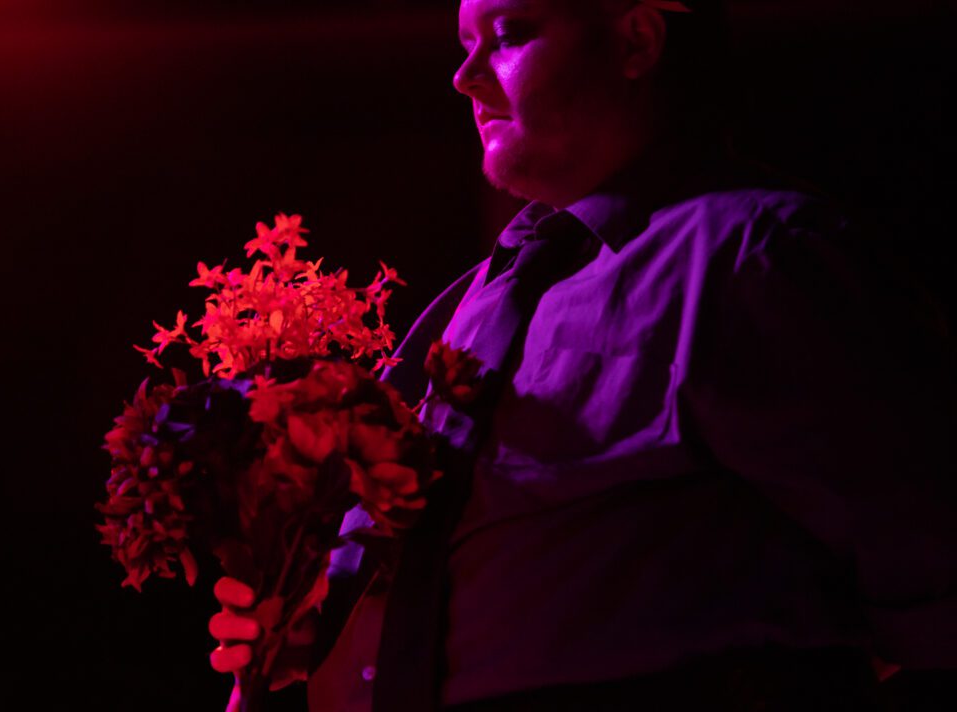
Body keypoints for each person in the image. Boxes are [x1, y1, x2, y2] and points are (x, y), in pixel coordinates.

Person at [210, 0, 957, 710]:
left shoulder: (752, 256)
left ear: (635, 42)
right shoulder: (464, 306)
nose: (465, 79)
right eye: (463, 46)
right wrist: (319, 616)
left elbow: (927, 551)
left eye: (506, 35)